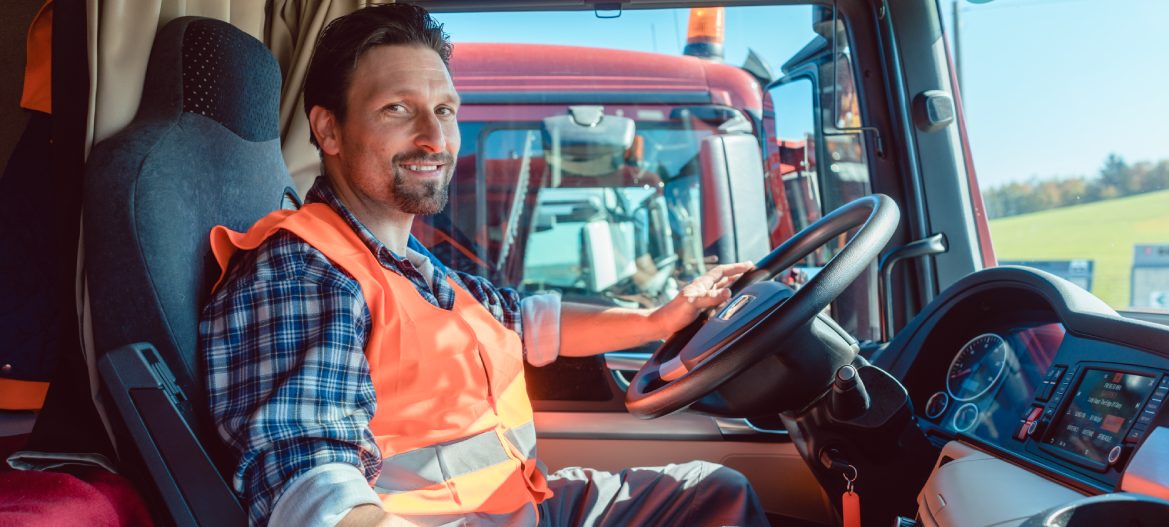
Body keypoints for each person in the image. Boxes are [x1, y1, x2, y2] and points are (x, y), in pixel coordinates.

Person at [200, 5, 767, 527]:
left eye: (444, 110)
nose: (434, 138)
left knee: (717, 493)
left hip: (516, 506)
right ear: (328, 131)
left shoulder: (410, 265)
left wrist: (657, 321)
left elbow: (526, 320)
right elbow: (308, 479)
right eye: (398, 109)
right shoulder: (303, 269)